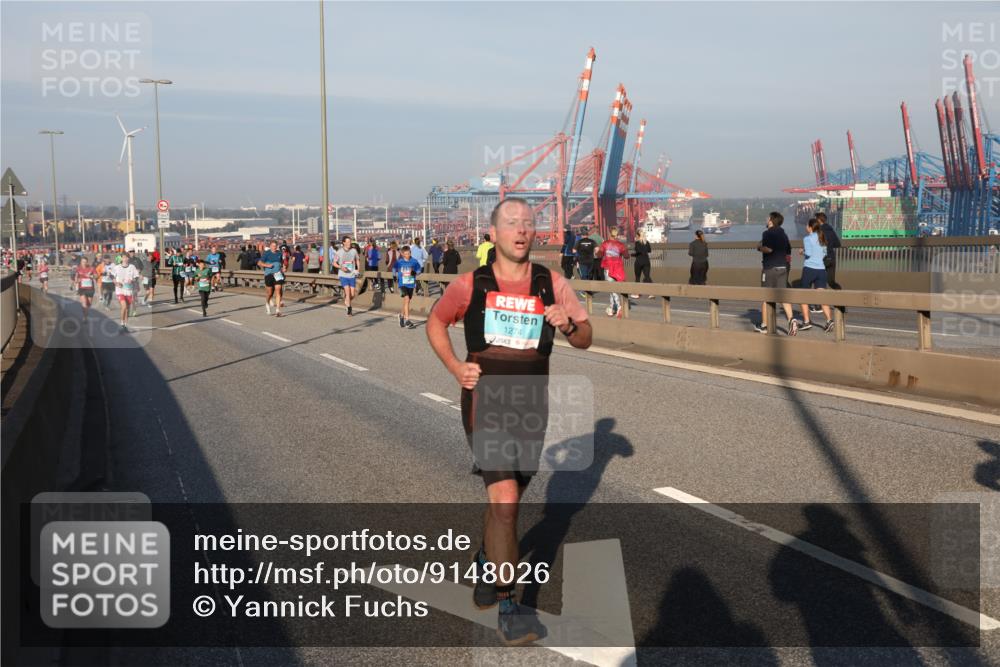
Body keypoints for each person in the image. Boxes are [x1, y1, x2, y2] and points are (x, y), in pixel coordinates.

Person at [425, 197, 592, 646]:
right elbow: (436, 322)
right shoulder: (471, 283)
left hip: (531, 404)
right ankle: (508, 605)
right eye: (511, 223)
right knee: (504, 502)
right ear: (493, 234)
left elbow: (585, 338)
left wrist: (570, 325)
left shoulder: (551, 283)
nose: (521, 230)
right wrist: (457, 368)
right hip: (486, 402)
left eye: (529, 224)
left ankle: (485, 561)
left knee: (511, 495)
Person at [754, 211, 798, 335]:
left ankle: (764, 325)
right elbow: (788, 251)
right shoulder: (784, 234)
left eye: (768, 218)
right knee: (782, 296)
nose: (766, 219)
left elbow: (768, 249)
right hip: (782, 268)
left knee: (766, 296)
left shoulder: (767, 233)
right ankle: (791, 319)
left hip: (770, 268)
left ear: (771, 221)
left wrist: (759, 247)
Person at [796, 218, 836, 333]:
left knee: (803, 296)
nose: (805, 227)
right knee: (822, 297)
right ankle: (829, 320)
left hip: (809, 269)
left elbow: (808, 253)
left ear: (810, 227)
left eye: (806, 225)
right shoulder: (822, 237)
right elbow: (824, 254)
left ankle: (807, 322)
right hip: (821, 270)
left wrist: (801, 251)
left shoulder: (807, 238)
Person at [812, 211, 842, 313]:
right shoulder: (831, 230)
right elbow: (838, 244)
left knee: (818, 280)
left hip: (822, 259)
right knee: (831, 281)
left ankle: (818, 306)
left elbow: (816, 245)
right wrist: (829, 246)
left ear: (819, 220)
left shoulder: (819, 231)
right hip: (832, 258)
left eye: (815, 219)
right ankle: (841, 301)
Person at [596, 227, 629, 317]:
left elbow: (599, 255)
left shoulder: (605, 244)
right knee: (612, 289)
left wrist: (597, 252)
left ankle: (618, 306)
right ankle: (611, 308)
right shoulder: (620, 245)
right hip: (618, 268)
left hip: (608, 268)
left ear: (609, 234)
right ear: (617, 234)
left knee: (611, 288)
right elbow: (627, 256)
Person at [393, 244, 423, 328]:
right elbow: (394, 268)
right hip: (402, 284)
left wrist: (415, 272)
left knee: (407, 301)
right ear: (402, 254)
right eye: (406, 254)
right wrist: (394, 275)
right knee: (406, 298)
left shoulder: (414, 261)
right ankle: (407, 320)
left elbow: (419, 270)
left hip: (411, 284)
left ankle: (401, 316)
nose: (408, 255)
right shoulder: (399, 262)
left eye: (409, 253)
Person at [112, 254, 140, 333]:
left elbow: (137, 276)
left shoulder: (132, 267)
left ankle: (125, 325)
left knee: (127, 309)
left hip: (129, 290)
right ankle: (122, 324)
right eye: (123, 257)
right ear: (121, 258)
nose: (125, 259)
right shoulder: (117, 267)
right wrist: (116, 283)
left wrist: (133, 280)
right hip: (120, 290)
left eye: (126, 257)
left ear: (128, 258)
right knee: (123, 306)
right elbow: (112, 276)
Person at [334, 235, 361, 316]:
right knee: (348, 292)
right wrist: (341, 267)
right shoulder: (339, 252)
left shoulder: (354, 251)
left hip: (352, 275)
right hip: (343, 275)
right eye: (348, 242)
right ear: (343, 243)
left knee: (352, 294)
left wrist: (358, 270)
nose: (349, 243)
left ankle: (347, 301)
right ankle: (349, 309)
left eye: (350, 242)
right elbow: (334, 263)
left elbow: (357, 260)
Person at [258, 239, 286, 317]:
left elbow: (282, 263)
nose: (274, 247)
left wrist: (283, 268)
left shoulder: (279, 253)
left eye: (275, 246)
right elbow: (259, 263)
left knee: (278, 290)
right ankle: (267, 303)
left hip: (277, 274)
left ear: (277, 247)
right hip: (269, 275)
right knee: (270, 293)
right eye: (272, 246)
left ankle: (277, 310)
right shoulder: (266, 254)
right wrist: (267, 265)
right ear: (270, 246)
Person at [633, 229, 652, 296]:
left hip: (639, 261)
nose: (635, 236)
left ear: (638, 236)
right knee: (647, 276)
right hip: (646, 261)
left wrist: (632, 255)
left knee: (637, 277)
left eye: (636, 235)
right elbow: (649, 250)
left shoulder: (637, 243)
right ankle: (651, 293)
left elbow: (638, 251)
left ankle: (637, 293)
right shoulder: (646, 242)